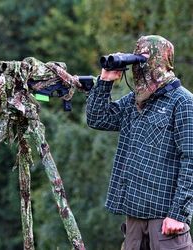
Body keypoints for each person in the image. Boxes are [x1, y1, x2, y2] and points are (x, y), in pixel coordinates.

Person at [86, 35, 193, 249]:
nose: (139, 66)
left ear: (160, 61)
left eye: (144, 59)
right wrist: (105, 80)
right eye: (137, 59)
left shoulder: (183, 102)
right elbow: (98, 118)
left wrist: (178, 215)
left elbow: (191, 161)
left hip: (165, 220)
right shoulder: (135, 101)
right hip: (134, 218)